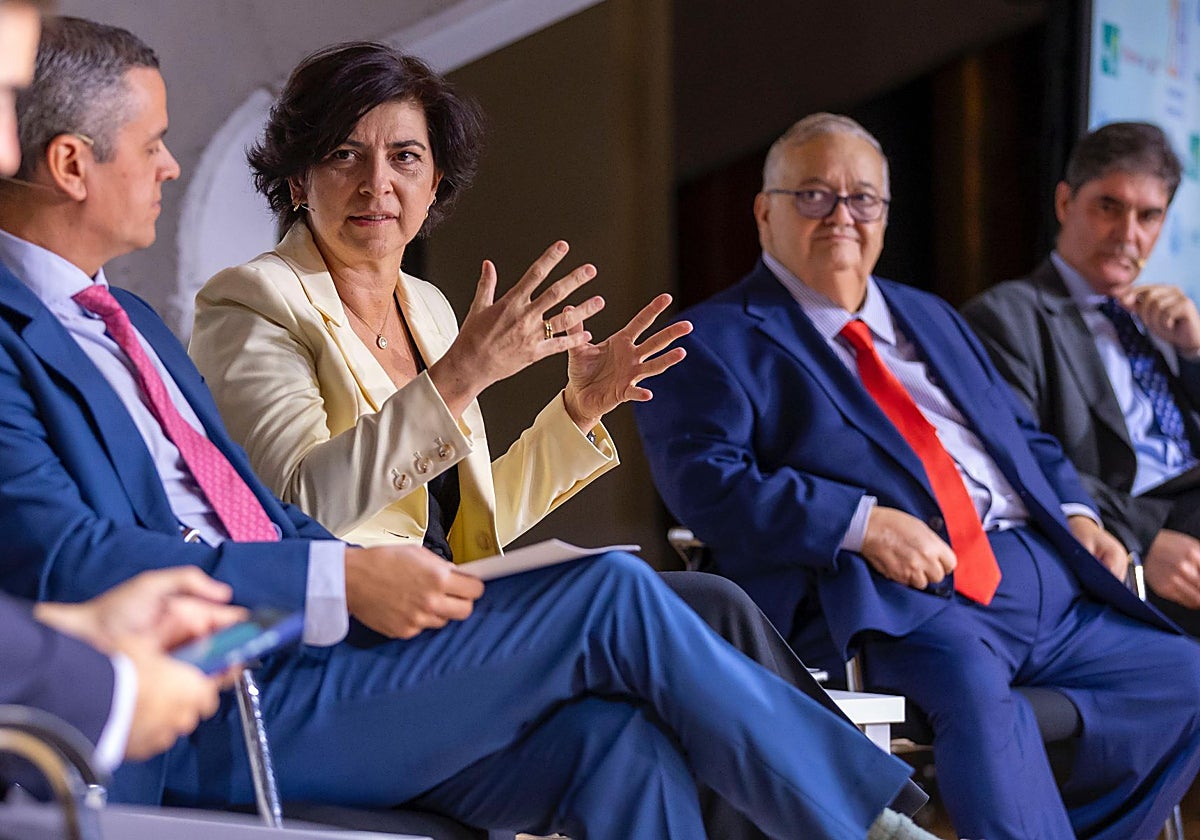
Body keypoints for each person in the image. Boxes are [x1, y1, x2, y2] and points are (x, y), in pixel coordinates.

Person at [0, 17, 932, 839]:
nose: (377, 183)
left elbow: (444, 520)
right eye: (344, 155)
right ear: (299, 177)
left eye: (405, 157)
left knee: (621, 742)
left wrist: (575, 414)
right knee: (615, 590)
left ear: (436, 178)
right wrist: (445, 405)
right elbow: (292, 505)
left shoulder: (158, 322)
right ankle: (871, 826)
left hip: (344, 622)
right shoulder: (250, 300)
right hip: (250, 665)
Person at [635, 112, 1200, 840]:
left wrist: (1078, 513)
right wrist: (861, 523)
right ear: (764, 212)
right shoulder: (710, 339)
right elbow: (708, 486)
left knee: (1183, 677)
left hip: (1042, 576)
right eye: (814, 195)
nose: (842, 215)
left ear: (885, 214)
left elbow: (1022, 435)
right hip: (905, 599)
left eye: (862, 198)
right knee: (975, 695)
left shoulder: (929, 315)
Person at [0, 0, 237, 773]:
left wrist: (345, 575)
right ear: (73, 166)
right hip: (183, 669)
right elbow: (62, 550)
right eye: (153, 143)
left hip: (246, 628)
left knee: (576, 731)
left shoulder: (135, 318)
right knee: (579, 611)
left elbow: (253, 504)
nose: (170, 166)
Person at [962, 121, 1200, 634]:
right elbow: (1015, 459)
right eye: (1109, 206)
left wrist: (1195, 353)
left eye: (1149, 215)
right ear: (1065, 202)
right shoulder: (1007, 316)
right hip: (1128, 529)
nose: (1128, 235)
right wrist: (1146, 536)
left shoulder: (1165, 317)